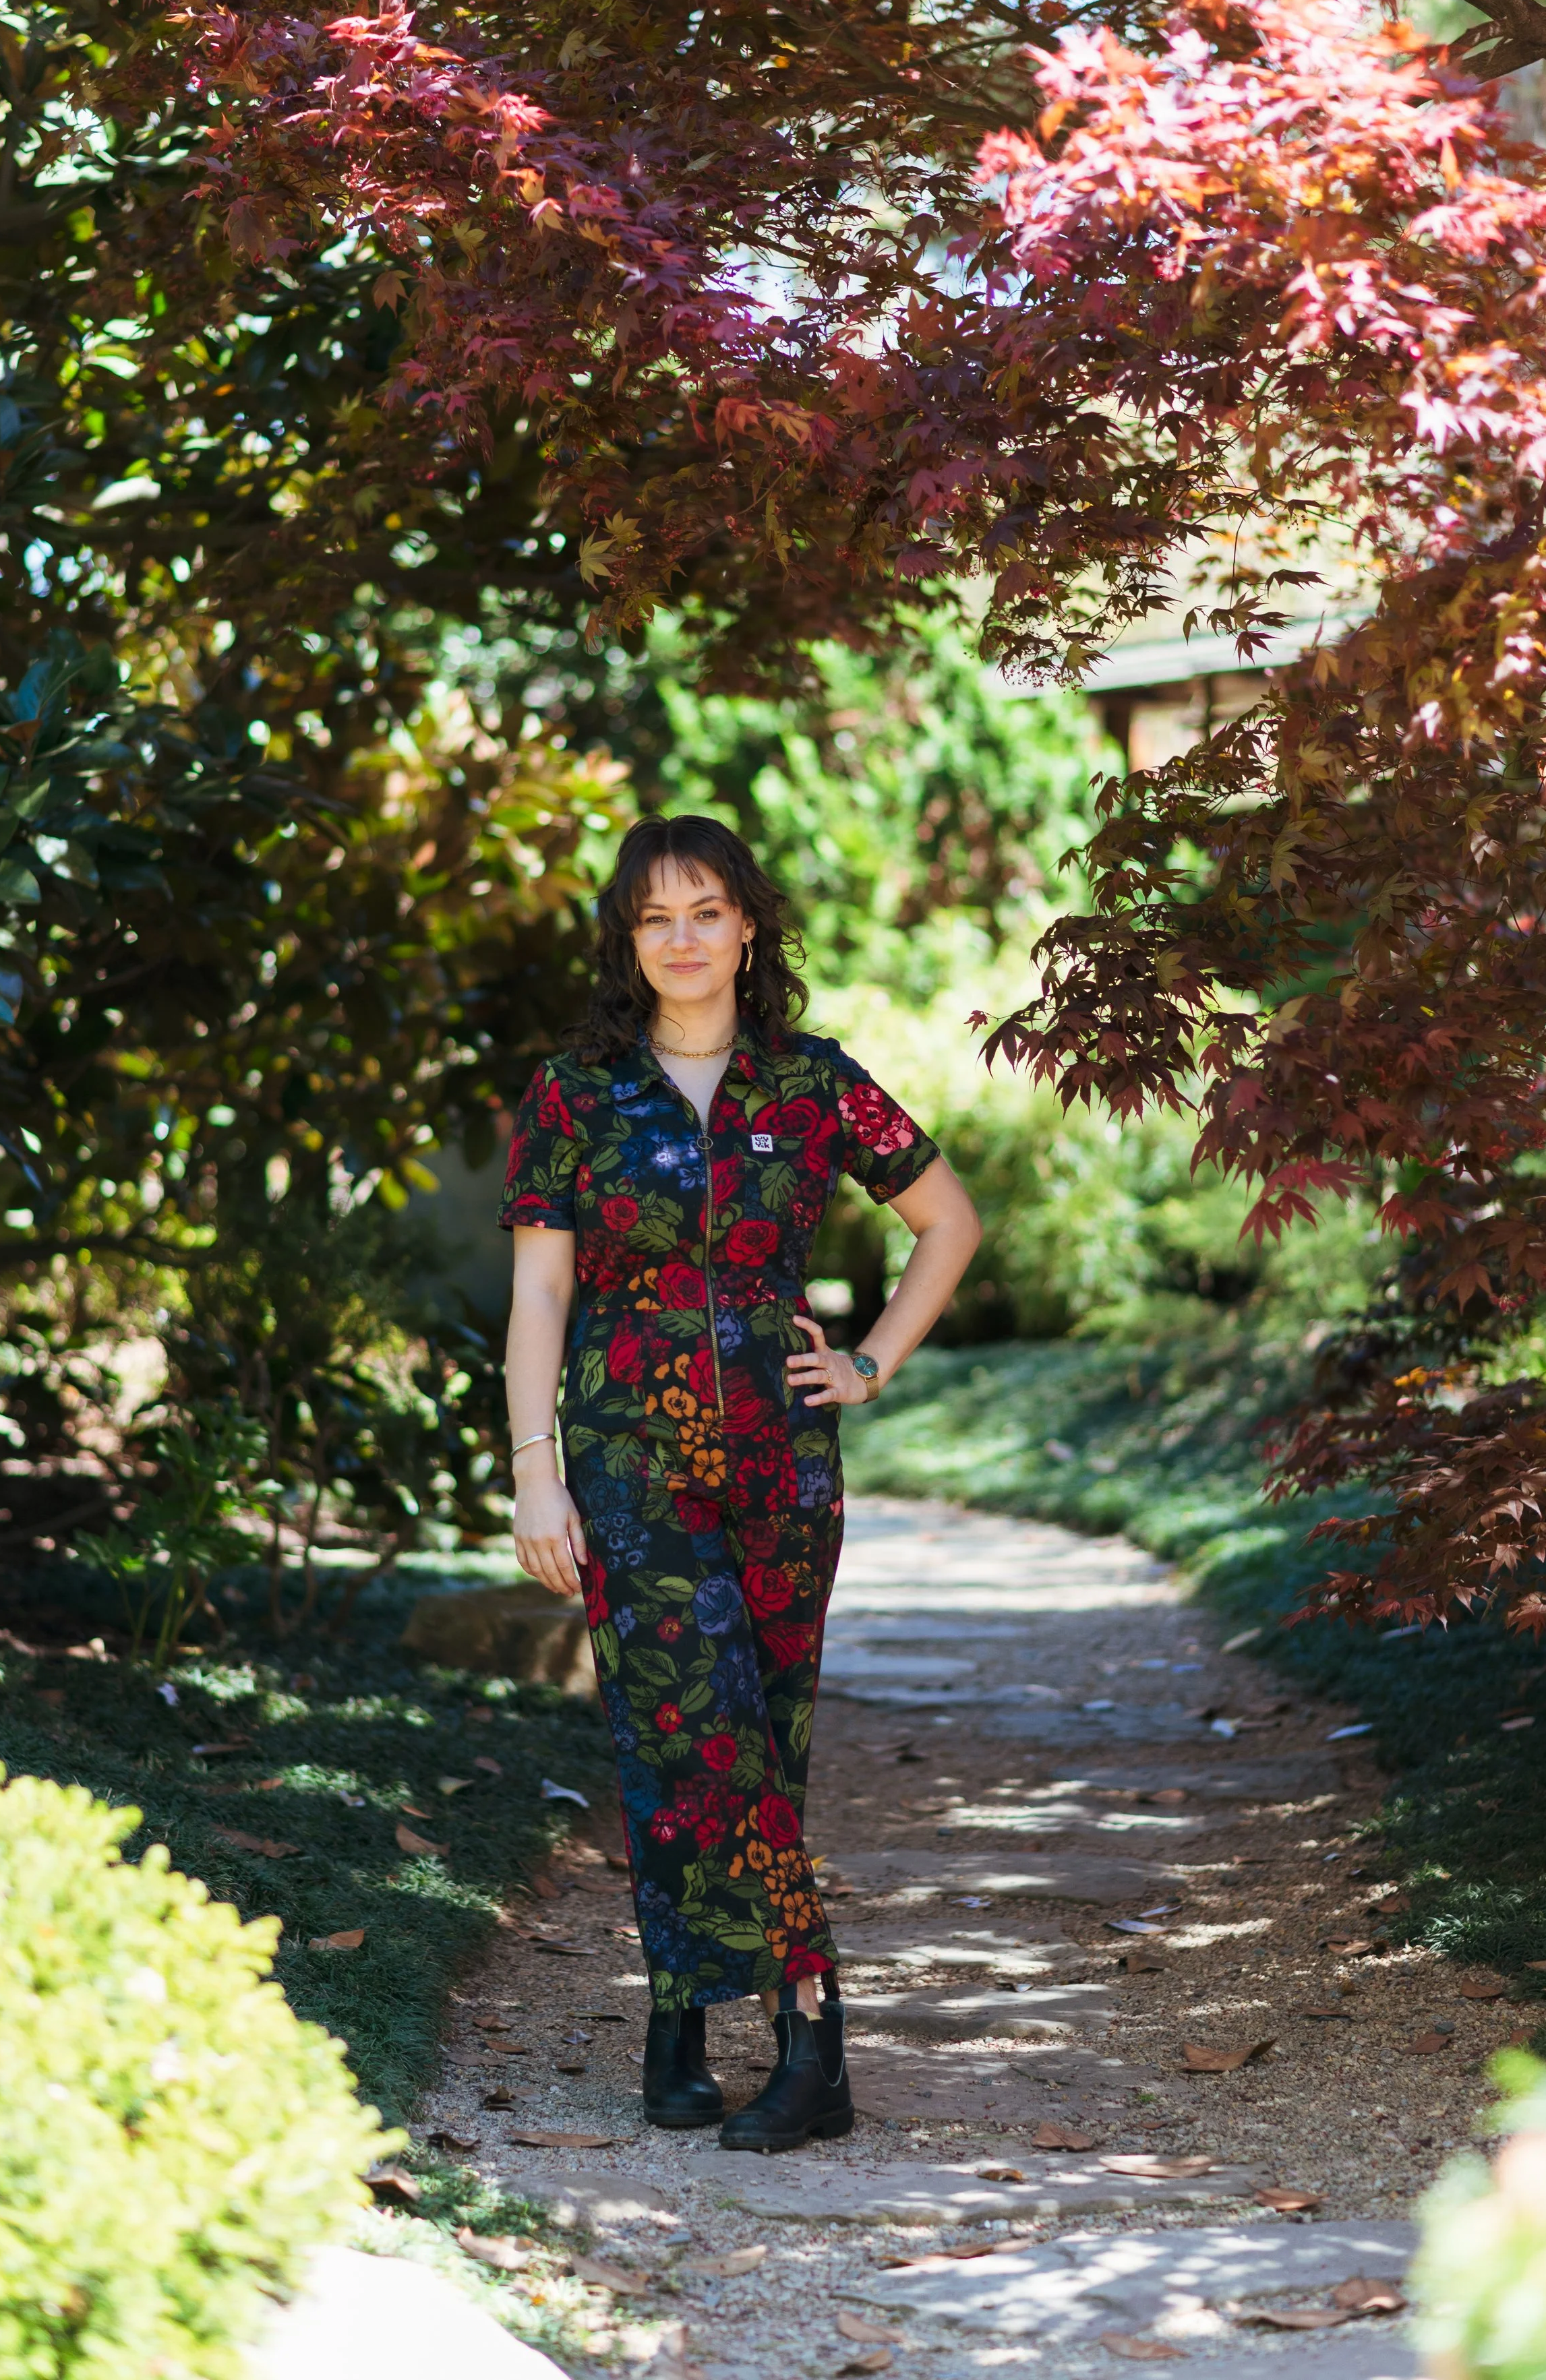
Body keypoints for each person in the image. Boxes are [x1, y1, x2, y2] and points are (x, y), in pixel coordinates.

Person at [499, 814, 982, 2152]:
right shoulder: (575, 1097)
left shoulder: (814, 1086)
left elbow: (946, 1222)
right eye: (656, 918)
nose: (683, 938)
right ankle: (812, 2037)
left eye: (705, 911)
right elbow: (540, 1291)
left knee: (751, 1746)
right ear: (628, 941)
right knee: (696, 1729)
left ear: (747, 926)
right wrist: (535, 1473)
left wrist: (873, 1362)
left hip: (784, 1470)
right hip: (626, 1465)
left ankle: (674, 2024)